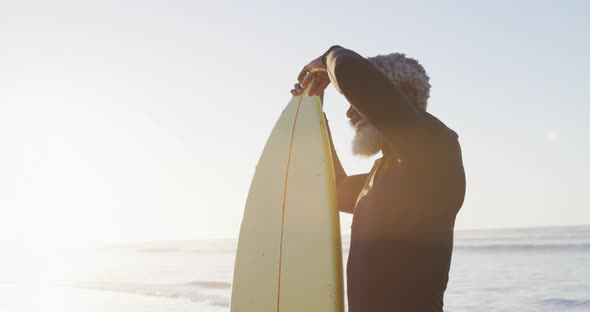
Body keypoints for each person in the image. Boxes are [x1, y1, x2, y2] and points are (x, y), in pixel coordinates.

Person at [291, 46, 466, 312]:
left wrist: (329, 57)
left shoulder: (435, 151)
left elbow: (350, 70)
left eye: (358, 102)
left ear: (402, 96)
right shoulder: (386, 173)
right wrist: (317, 115)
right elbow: (335, 191)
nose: (350, 114)